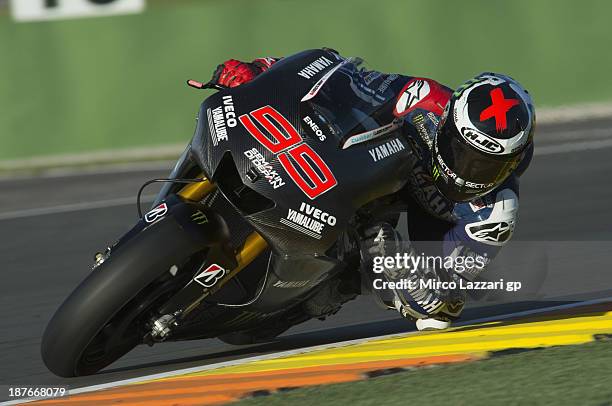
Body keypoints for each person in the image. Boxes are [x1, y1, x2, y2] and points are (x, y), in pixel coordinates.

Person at [208, 48, 535, 330]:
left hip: (421, 229)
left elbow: (449, 292)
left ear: (512, 163)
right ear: (447, 119)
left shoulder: (495, 211)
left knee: (427, 313)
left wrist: (410, 277)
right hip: (369, 169)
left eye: (487, 164)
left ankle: (327, 288)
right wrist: (262, 70)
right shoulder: (422, 97)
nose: (467, 170)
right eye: (459, 150)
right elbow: (338, 80)